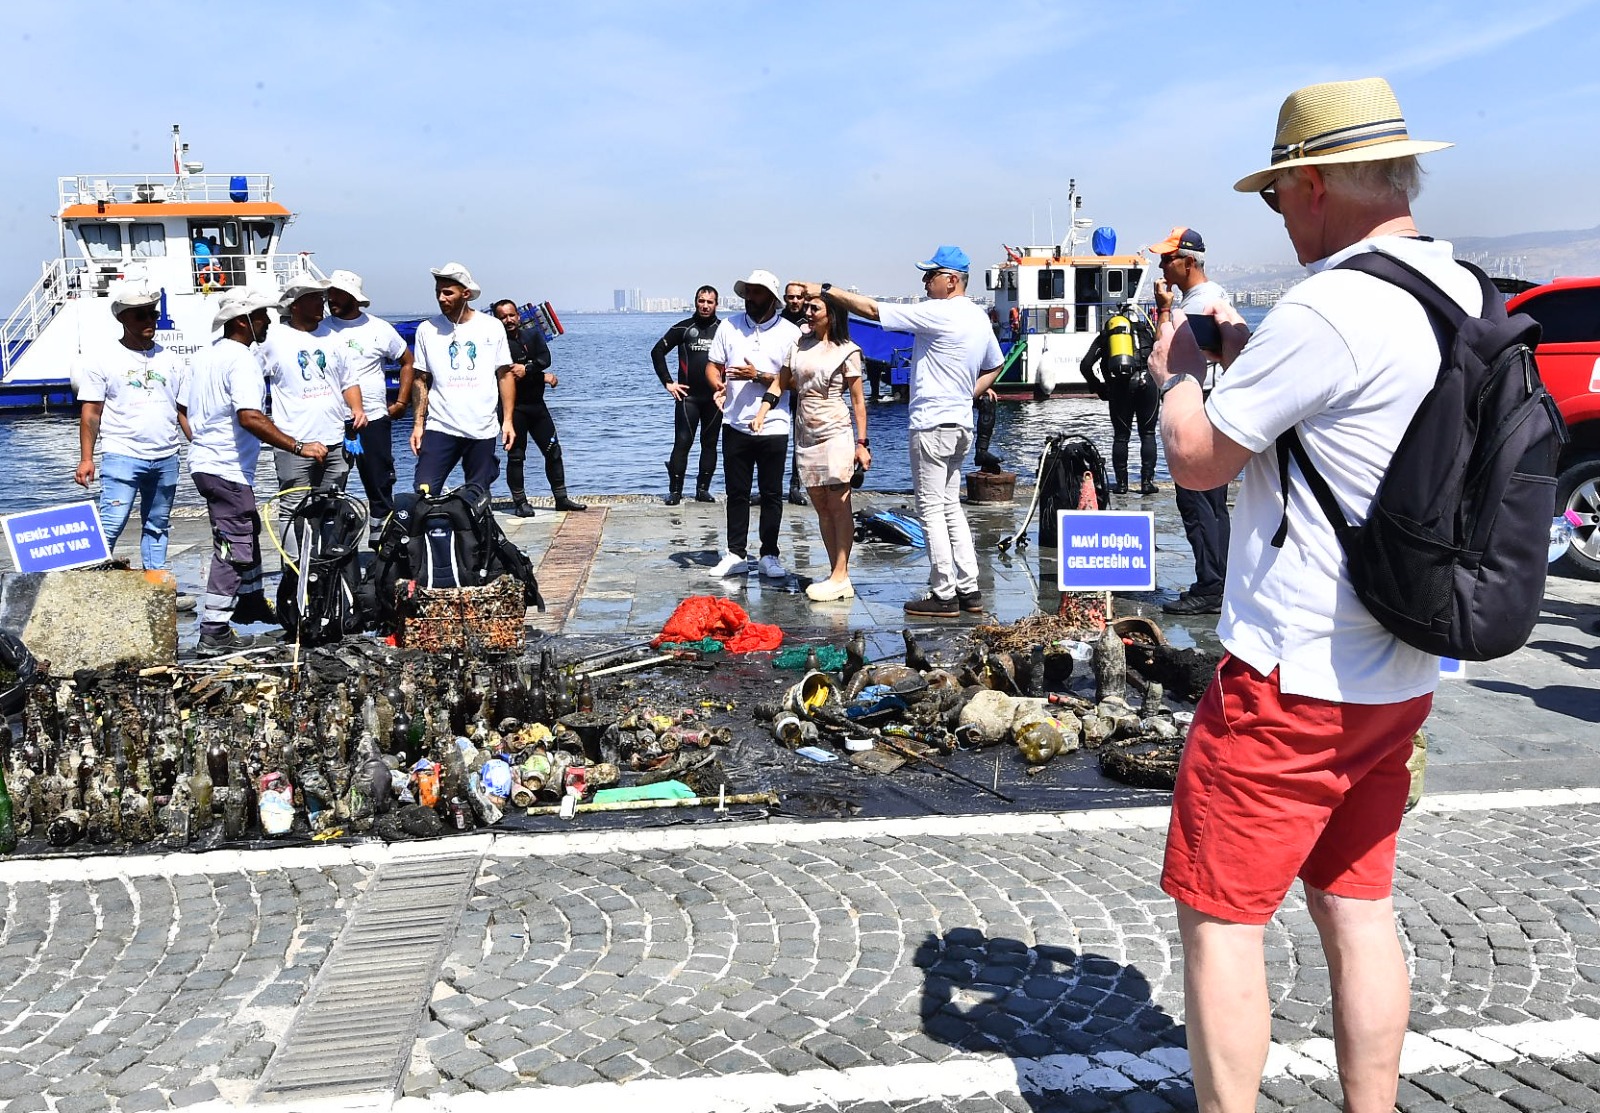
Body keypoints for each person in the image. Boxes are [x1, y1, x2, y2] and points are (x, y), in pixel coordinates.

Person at [1149, 77, 1466, 1113]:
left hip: (1294, 673)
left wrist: (1176, 374)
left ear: (1316, 185)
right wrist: (1246, 359)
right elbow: (1352, 428)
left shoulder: (1328, 304)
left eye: (1279, 195)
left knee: (1222, 917)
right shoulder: (1458, 291)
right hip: (1400, 667)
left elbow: (1198, 459)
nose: (1279, 216)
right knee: (1357, 905)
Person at [806, 245, 1002, 616]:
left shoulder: (940, 311)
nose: (925, 281)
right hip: (960, 423)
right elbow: (996, 363)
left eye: (930, 275)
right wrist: (967, 395)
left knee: (931, 508)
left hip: (932, 424)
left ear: (951, 280)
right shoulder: (977, 317)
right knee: (950, 506)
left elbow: (872, 311)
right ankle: (970, 589)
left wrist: (827, 290)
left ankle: (943, 592)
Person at [181, 289, 330, 657]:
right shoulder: (242, 359)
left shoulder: (203, 357)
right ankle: (213, 630)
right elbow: (249, 416)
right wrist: (297, 446)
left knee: (248, 525)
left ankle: (247, 604)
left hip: (207, 463)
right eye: (262, 315)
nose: (268, 321)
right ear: (241, 322)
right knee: (233, 547)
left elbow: (182, 407)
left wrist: (201, 442)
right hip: (225, 467)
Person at [750, 292, 871, 601]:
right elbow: (781, 382)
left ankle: (840, 574)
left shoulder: (848, 350)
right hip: (806, 429)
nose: (807, 311)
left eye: (814, 307)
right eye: (806, 307)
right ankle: (836, 573)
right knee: (820, 502)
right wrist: (763, 412)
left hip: (835, 428)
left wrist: (862, 442)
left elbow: (858, 401)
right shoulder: (799, 345)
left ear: (830, 314)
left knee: (839, 502)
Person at [73, 283, 191, 590]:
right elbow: (91, 412)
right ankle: (90, 586)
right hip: (122, 453)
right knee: (111, 522)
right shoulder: (103, 359)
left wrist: (199, 446)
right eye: (140, 316)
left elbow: (182, 410)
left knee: (158, 524)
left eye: (152, 314)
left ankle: (156, 585)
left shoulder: (172, 359)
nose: (149, 321)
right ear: (124, 319)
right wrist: (86, 459)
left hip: (167, 454)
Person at [1148, 227, 1233, 615]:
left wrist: (1164, 309)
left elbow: (1167, 352)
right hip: (1209, 407)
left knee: (1197, 501)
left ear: (1189, 260)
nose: (1162, 265)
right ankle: (1218, 580)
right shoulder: (1205, 299)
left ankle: (1210, 586)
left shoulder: (1198, 304)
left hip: (1198, 409)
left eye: (1168, 258)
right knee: (1212, 502)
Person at [704, 269, 801, 579]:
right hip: (734, 422)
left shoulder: (790, 333)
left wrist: (757, 376)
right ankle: (735, 554)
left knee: (772, 493)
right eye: (747, 291)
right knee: (737, 493)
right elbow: (713, 365)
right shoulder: (729, 326)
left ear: (771, 299)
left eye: (757, 293)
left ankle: (769, 554)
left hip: (774, 424)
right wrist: (717, 385)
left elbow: (795, 382)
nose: (750, 298)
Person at [256, 275, 361, 537]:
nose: (321, 303)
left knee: (333, 506)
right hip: (294, 442)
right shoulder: (274, 340)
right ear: (295, 305)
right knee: (293, 508)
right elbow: (252, 382)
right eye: (313, 298)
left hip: (335, 441)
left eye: (321, 297)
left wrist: (357, 409)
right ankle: (295, 570)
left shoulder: (334, 337)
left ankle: (327, 565)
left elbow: (349, 381)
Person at [324, 269, 414, 539]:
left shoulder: (378, 328)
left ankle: (383, 542)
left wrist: (401, 401)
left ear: (353, 297)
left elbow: (407, 361)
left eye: (337, 294)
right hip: (332, 421)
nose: (331, 299)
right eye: (329, 294)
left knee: (379, 482)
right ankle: (334, 545)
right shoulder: (322, 329)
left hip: (373, 418)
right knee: (330, 486)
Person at [409, 263, 513, 494]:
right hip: (440, 426)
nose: (441, 298)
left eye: (448, 292)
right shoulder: (427, 329)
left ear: (465, 294)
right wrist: (418, 425)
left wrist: (507, 421)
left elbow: (504, 375)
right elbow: (420, 379)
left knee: (477, 496)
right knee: (424, 491)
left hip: (482, 427)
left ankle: (479, 531)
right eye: (438, 292)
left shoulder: (492, 327)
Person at [491, 299, 587, 514]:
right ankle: (520, 503)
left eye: (511, 315)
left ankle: (561, 499)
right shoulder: (496, 344)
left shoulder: (532, 335)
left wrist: (529, 369)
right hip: (513, 409)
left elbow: (545, 358)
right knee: (516, 456)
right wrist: (537, 375)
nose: (508, 320)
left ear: (518, 316)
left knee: (553, 451)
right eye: (503, 317)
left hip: (537, 406)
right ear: (497, 320)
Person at [650, 286, 722, 505]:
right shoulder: (683, 328)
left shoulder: (724, 329)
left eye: (710, 302)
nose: (705, 305)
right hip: (687, 398)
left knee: (709, 444)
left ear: (716, 304)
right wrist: (669, 383)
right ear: (696, 302)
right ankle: (675, 491)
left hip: (714, 398)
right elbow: (657, 351)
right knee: (682, 443)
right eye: (702, 301)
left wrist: (728, 387)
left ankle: (703, 490)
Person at [1078, 302, 1158, 495]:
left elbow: (1086, 365)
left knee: (1121, 437)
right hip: (1147, 382)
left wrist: (1099, 387)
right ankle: (1146, 483)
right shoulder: (1147, 331)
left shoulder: (1107, 336)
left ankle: (1122, 485)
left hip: (1121, 386)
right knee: (1147, 434)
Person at [781, 281, 810, 506]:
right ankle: (768, 487)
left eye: (799, 297)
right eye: (791, 297)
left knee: (800, 440)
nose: (795, 301)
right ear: (785, 298)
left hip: (801, 389)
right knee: (774, 440)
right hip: (778, 387)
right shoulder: (777, 321)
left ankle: (795, 486)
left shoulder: (810, 322)